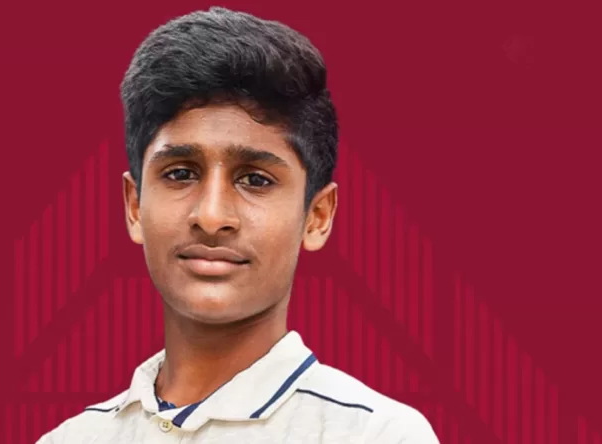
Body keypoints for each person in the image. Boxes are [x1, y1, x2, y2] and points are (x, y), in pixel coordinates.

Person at [37, 6, 439, 443]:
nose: (211, 217)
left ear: (317, 216)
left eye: (255, 180)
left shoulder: (374, 434)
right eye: (180, 173)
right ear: (135, 206)